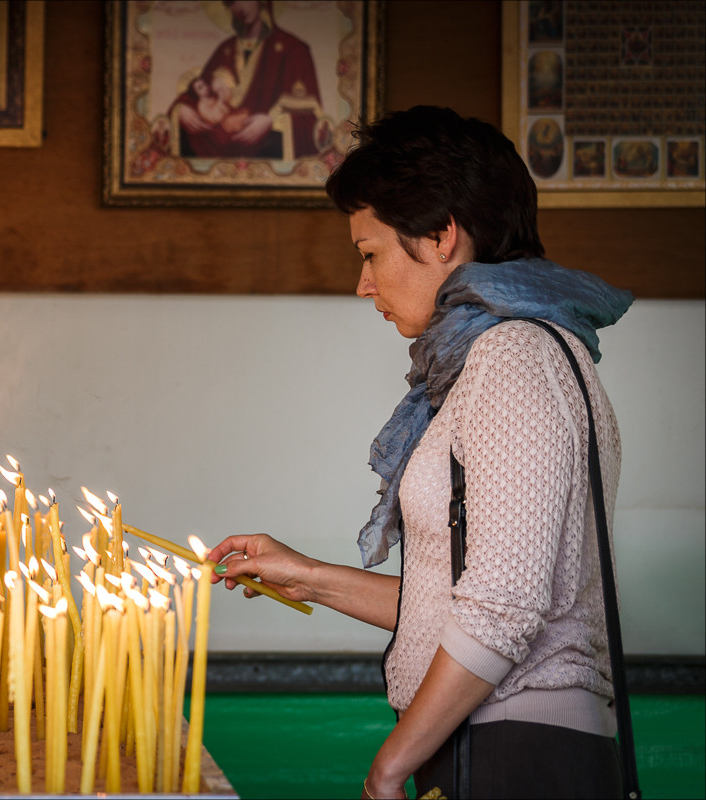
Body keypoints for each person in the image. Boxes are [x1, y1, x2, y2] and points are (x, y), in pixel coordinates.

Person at [206, 106, 633, 799]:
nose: (363, 285)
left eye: (370, 254)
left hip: (515, 754)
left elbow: (503, 610)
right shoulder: (489, 358)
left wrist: (388, 767)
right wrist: (310, 576)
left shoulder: (514, 357)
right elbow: (465, 600)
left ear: (441, 236)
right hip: (485, 739)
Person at [169, 0, 322, 159]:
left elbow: (310, 112)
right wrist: (181, 110)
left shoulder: (293, 50)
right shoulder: (225, 49)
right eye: (232, 2)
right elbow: (196, 91)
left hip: (265, 147)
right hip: (217, 142)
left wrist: (271, 121)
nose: (240, 7)